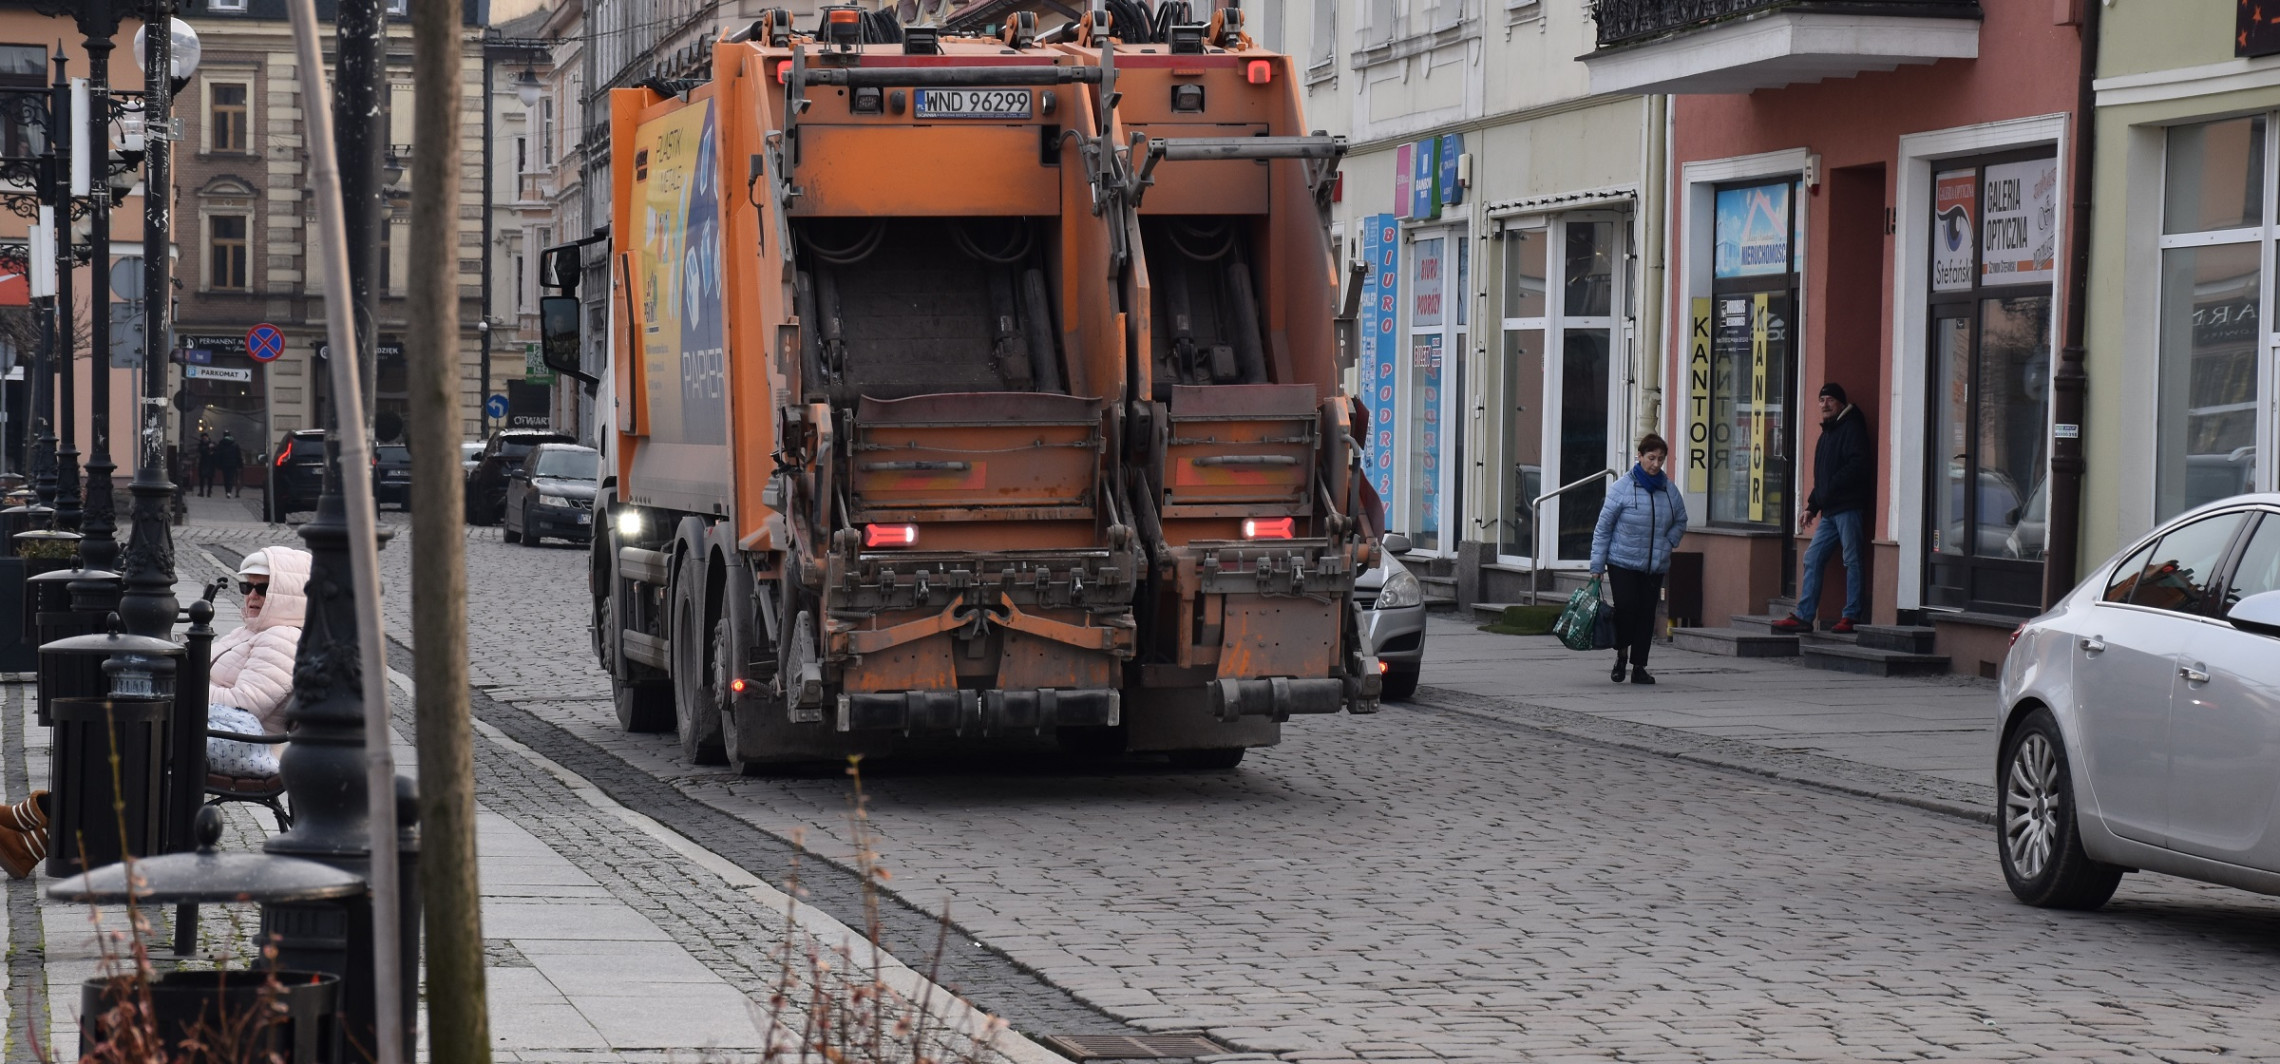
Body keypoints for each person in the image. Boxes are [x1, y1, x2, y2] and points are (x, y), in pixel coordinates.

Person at [0, 546, 312, 879]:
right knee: (122, 737)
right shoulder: (251, 632)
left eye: (263, 589)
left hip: (241, 744)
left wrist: (179, 684)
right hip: (210, 730)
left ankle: (35, 822)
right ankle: (33, 832)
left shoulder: (282, 640)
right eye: (246, 587)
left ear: (287, 593)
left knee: (131, 743)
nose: (251, 596)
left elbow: (244, 702)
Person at [1773, 382, 1873, 634]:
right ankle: (1804, 616)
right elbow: (1822, 479)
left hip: (1848, 507)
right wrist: (1812, 506)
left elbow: (1858, 465)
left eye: (1830, 400)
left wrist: (1832, 486)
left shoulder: (1851, 428)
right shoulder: (1827, 434)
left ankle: (1851, 616)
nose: (1825, 404)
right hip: (1830, 511)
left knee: (1852, 559)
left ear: (1840, 402)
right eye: (1821, 400)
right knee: (1812, 557)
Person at [1590, 433, 1689, 686]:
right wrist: (1597, 566)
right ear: (1640, 456)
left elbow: (1681, 520)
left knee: (1646, 614)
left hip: (1654, 565)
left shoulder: (1669, 490)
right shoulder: (1622, 488)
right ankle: (1621, 656)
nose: (1656, 464)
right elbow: (1603, 528)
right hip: (1622, 562)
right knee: (1626, 609)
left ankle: (1639, 667)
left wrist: (1668, 543)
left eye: (1660, 459)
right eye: (1651, 458)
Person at [214, 431, 243, 498]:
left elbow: (218, 455)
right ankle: (229, 491)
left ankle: (227, 491)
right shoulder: (235, 444)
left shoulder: (221, 444)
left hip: (224, 464)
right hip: (233, 464)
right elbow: (238, 455)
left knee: (226, 478)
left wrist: (218, 464)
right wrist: (240, 464)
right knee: (231, 478)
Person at [196, 431, 216, 497]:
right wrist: (208, 447)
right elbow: (201, 451)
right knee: (202, 479)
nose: (204, 439)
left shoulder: (212, 444)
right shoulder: (201, 445)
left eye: (205, 438)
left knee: (210, 479)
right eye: (203, 438)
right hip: (203, 463)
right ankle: (202, 492)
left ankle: (209, 492)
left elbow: (216, 452)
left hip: (210, 463)